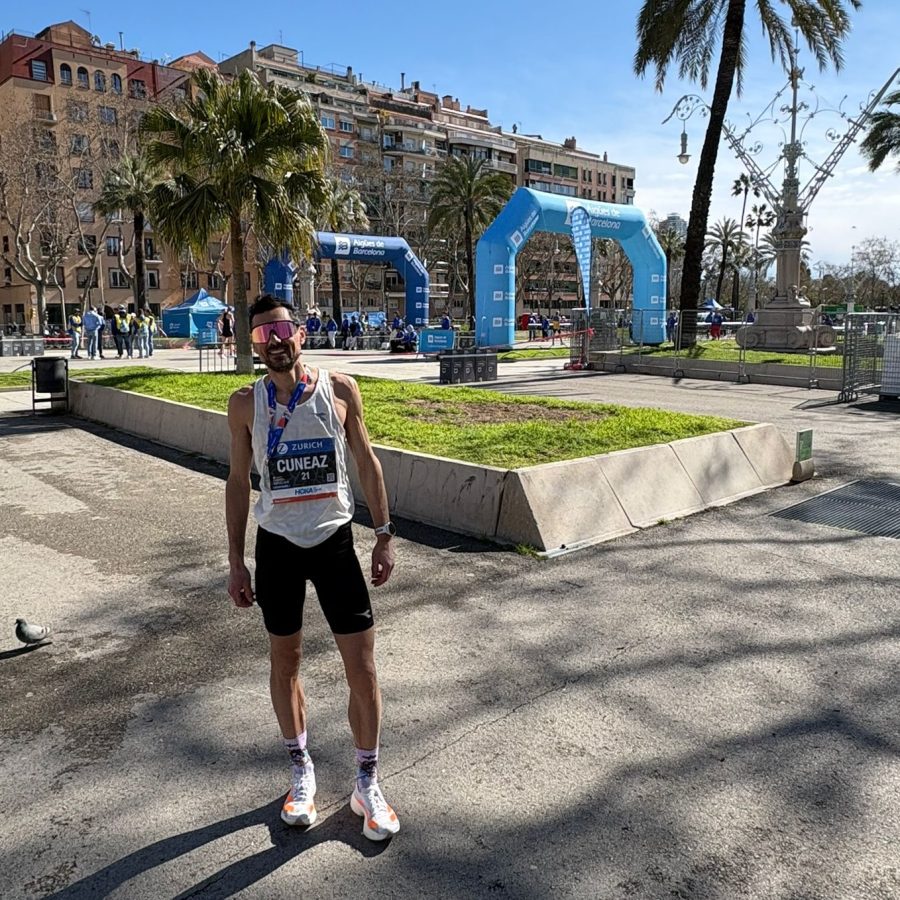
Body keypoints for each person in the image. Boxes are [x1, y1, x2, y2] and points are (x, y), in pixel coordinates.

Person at [226, 294, 399, 841]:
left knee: (363, 666)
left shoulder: (340, 389)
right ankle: (300, 771)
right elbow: (236, 482)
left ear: (300, 333)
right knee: (286, 661)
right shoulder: (243, 404)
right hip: (277, 545)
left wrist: (385, 533)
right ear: (252, 346)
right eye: (261, 338)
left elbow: (366, 462)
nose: (273, 345)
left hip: (334, 543)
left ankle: (366, 781)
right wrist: (235, 559)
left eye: (281, 332)